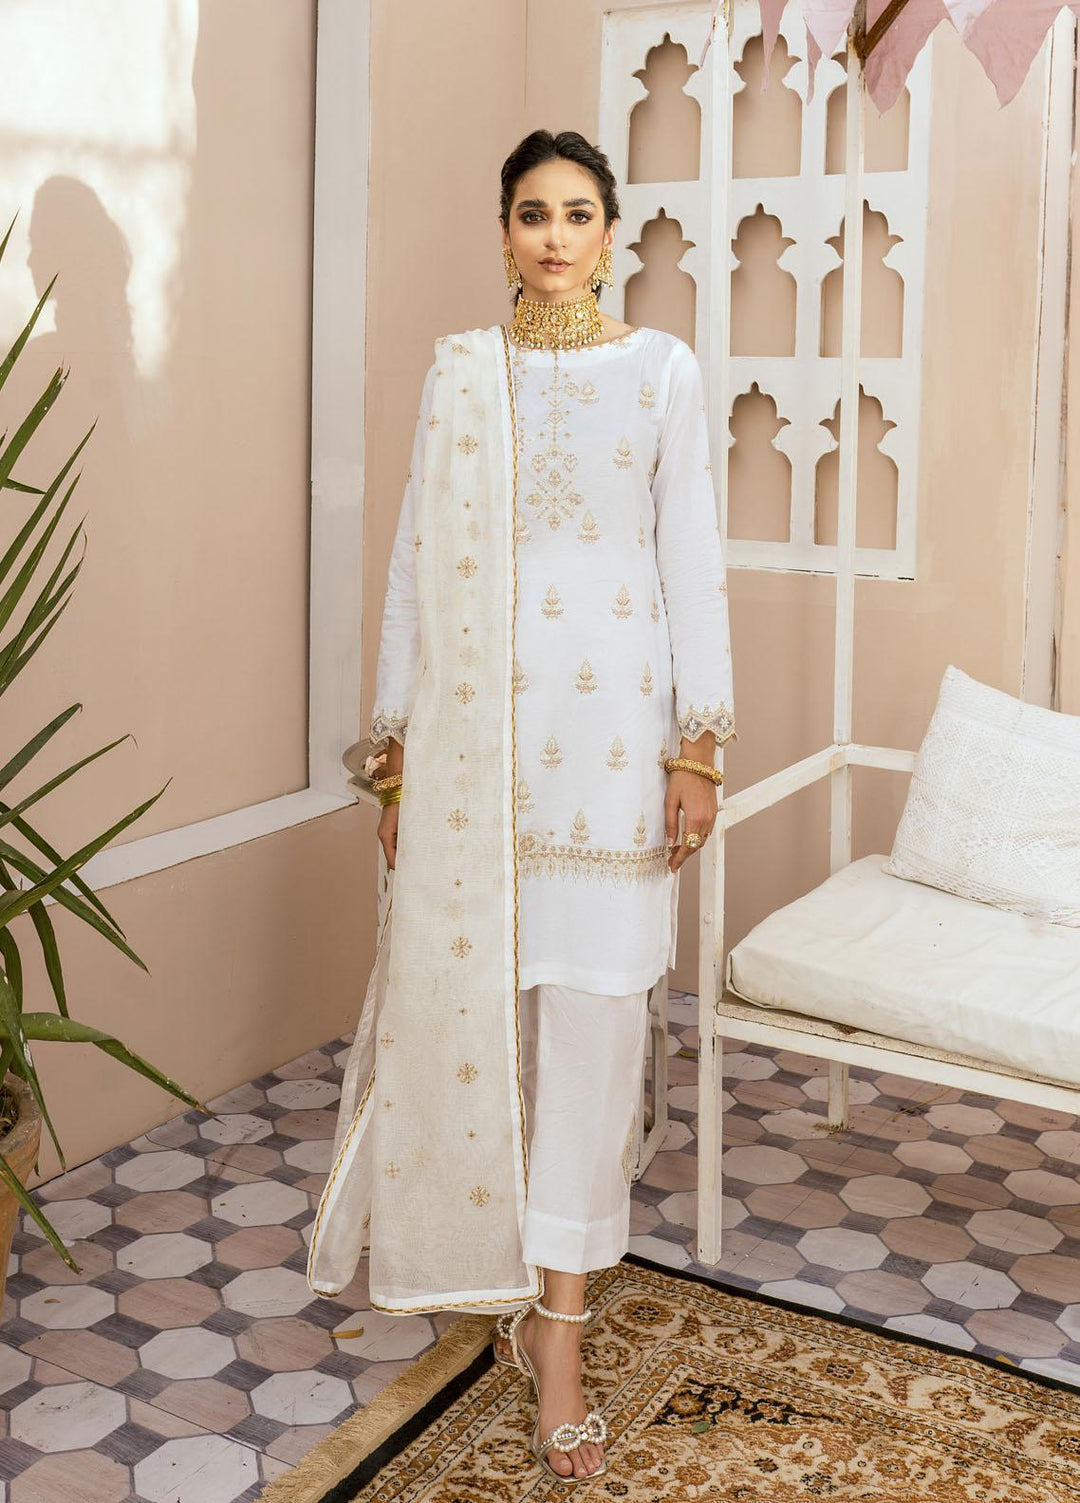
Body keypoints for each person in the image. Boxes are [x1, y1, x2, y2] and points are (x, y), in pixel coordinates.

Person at [307, 129, 735, 1485]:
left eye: (579, 214)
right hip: (477, 758)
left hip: (614, 752)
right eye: (533, 213)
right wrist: (397, 756)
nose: (555, 236)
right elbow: (411, 567)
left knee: (595, 1035)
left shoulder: (661, 372)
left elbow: (691, 561)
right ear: (503, 231)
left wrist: (698, 746)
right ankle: (478, 1262)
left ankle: (559, 1333)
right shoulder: (462, 375)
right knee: (475, 1020)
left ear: (612, 234)